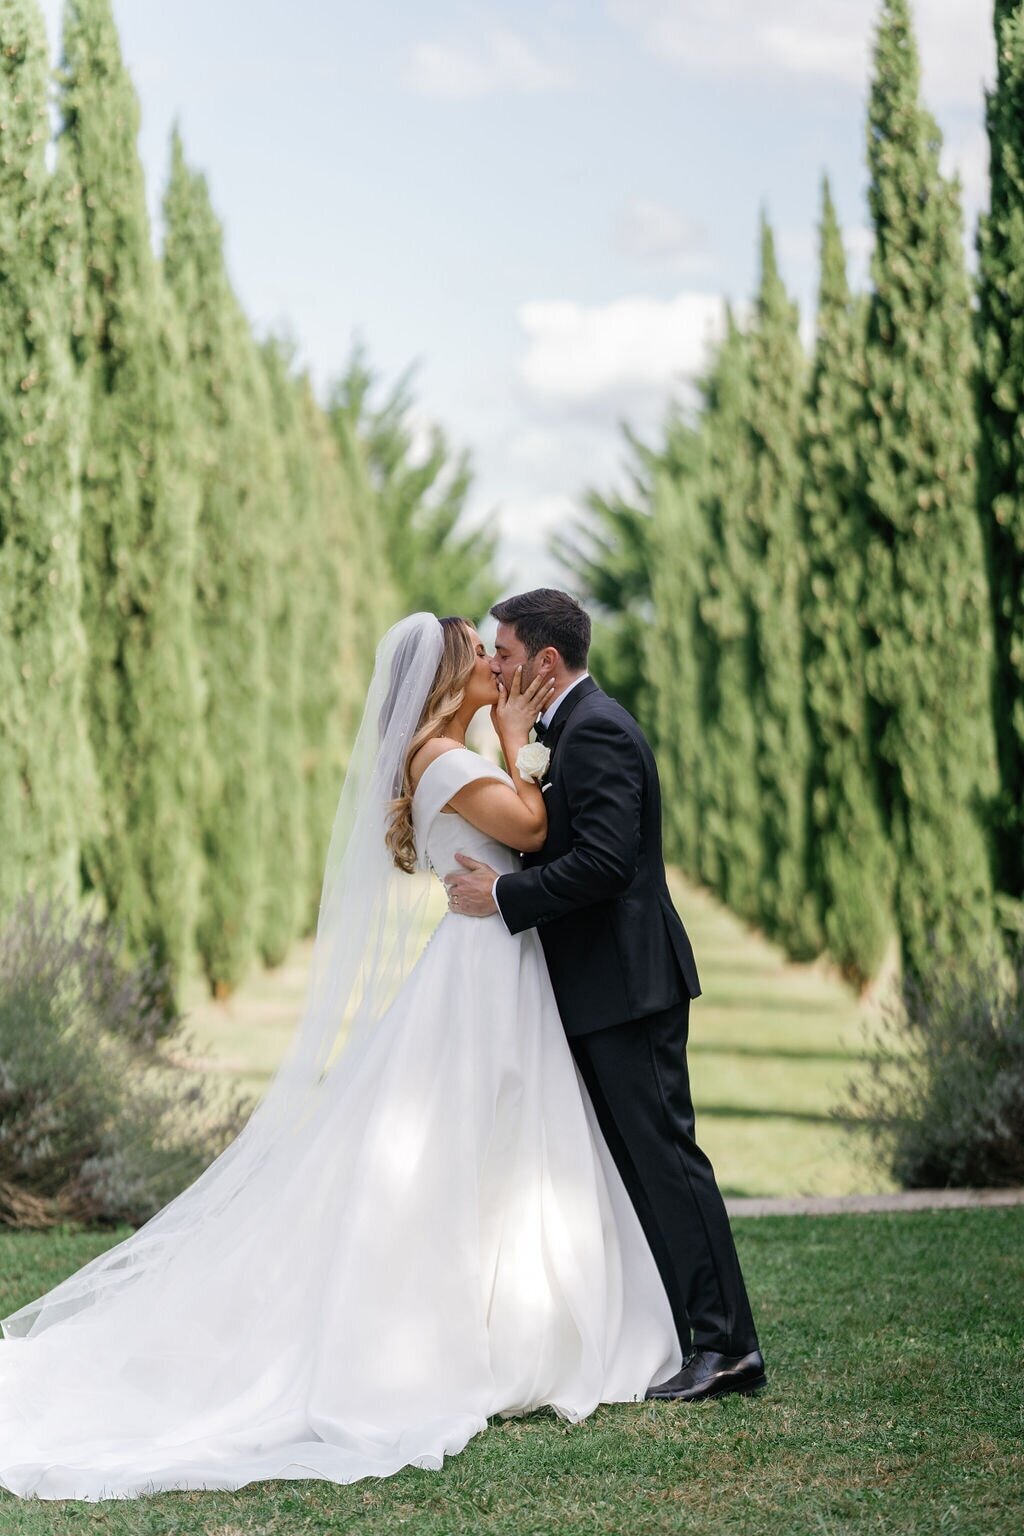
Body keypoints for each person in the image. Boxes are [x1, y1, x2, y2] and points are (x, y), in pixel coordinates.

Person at [0, 612, 683, 1503]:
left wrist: (506, 747)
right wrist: (517, 743)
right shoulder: (441, 758)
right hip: (481, 972)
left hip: (497, 959)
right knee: (476, 1134)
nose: (494, 664)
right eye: (479, 654)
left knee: (507, 1139)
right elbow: (529, 830)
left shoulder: (443, 750)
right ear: (447, 675)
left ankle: (517, 1312)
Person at [444, 589, 764, 1403]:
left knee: (666, 1161)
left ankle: (727, 1347)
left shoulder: (601, 731)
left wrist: (503, 900)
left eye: (505, 654)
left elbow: (607, 865)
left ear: (546, 662)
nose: (497, 666)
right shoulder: (568, 733)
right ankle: (684, 1335)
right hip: (595, 988)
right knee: (636, 1169)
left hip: (629, 985)